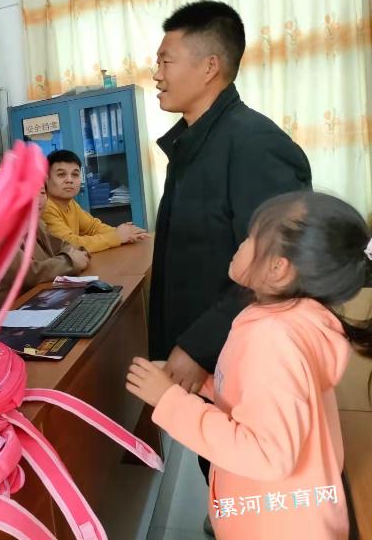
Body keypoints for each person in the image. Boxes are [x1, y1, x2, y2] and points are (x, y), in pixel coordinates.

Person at [127, 190, 371, 539]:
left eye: (251, 238)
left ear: (278, 270)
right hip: (288, 514)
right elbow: (267, 393)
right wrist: (204, 384)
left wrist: (170, 401)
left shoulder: (272, 338)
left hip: (277, 527)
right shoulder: (295, 319)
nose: (240, 244)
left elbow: (267, 454)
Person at [148, 0, 312, 393]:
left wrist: (199, 347)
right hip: (197, 355)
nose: (157, 75)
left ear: (209, 67)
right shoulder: (192, 144)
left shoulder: (254, 143)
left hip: (234, 362)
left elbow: (277, 265)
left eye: (165, 62)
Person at [0, 185, 90, 322]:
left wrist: (72, 256)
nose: (38, 200)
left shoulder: (35, 222)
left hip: (42, 303)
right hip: (11, 318)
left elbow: (63, 245)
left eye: (42, 192)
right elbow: (30, 273)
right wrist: (71, 261)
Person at [41, 149, 148, 252]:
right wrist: (117, 237)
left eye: (75, 174)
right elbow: (70, 244)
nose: (69, 180)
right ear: (46, 179)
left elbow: (93, 227)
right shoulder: (44, 207)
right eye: (61, 174)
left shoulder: (71, 204)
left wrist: (126, 233)